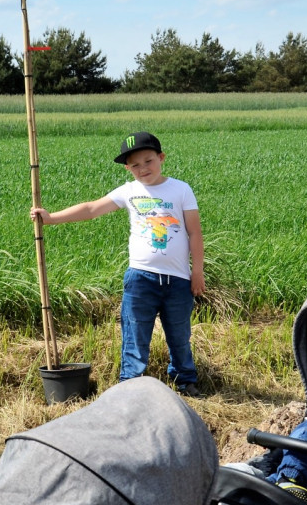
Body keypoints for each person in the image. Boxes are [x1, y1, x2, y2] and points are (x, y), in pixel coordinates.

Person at [30, 131, 205, 395]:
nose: (143, 168)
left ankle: (185, 381)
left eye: (148, 161)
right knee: (135, 335)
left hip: (178, 280)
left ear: (161, 158)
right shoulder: (129, 191)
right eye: (135, 165)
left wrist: (197, 272)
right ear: (127, 168)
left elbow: (194, 232)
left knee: (180, 336)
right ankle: (130, 386)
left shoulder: (181, 189)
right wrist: (51, 218)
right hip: (140, 279)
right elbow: (91, 209)